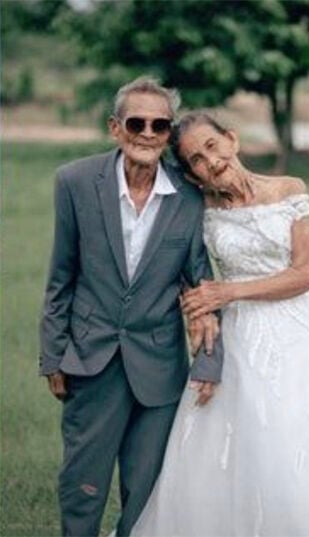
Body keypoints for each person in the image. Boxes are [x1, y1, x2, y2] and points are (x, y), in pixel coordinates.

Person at [129, 112, 309, 536]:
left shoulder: (289, 189)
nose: (210, 161)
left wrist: (229, 292)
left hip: (293, 330)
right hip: (238, 337)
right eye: (196, 161)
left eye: (212, 146)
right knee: (239, 434)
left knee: (295, 427)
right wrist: (206, 324)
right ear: (192, 175)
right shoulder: (199, 209)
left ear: (232, 140)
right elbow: (189, 273)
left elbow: (308, 274)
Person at [38, 77, 223, 536]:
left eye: (159, 125)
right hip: (89, 359)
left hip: (159, 368)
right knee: (84, 484)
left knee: (146, 491)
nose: (147, 133)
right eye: (136, 122)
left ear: (167, 133)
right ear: (115, 128)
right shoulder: (75, 182)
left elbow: (200, 282)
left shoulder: (188, 196)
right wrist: (52, 355)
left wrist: (209, 362)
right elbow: (61, 276)